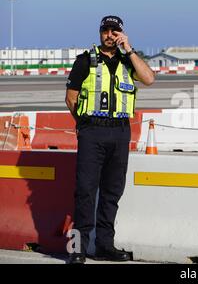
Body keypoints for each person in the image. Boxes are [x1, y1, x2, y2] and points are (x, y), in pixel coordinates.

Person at [65, 15, 155, 264]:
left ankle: (105, 245)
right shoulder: (85, 61)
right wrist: (83, 124)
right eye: (106, 30)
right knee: (85, 191)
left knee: (112, 191)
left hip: (120, 132)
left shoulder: (129, 62)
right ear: (100, 33)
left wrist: (130, 50)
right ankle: (78, 249)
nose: (110, 35)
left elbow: (149, 79)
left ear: (121, 34)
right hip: (92, 131)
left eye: (115, 31)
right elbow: (71, 97)